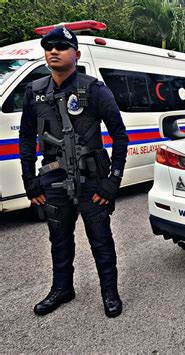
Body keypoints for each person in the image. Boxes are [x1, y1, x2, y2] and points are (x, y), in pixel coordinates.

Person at [19, 27, 129, 317]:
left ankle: (109, 292)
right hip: (53, 177)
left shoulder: (93, 89)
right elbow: (27, 138)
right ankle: (62, 289)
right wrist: (30, 181)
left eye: (61, 47)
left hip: (93, 178)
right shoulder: (35, 92)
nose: (53, 51)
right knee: (59, 238)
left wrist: (113, 181)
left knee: (100, 239)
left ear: (76, 55)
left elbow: (120, 135)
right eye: (49, 46)